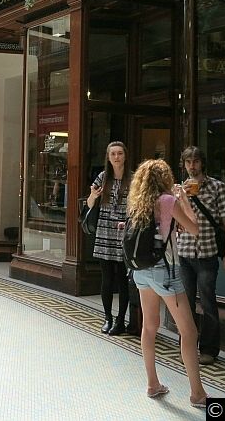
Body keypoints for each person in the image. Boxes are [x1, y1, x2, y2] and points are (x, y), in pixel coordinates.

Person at [128, 158, 208, 407]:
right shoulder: (167, 201)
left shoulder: (138, 202)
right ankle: (197, 393)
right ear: (165, 178)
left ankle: (152, 383)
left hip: (141, 270)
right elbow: (195, 228)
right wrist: (183, 199)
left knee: (149, 326)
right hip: (166, 271)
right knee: (189, 331)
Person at [177, 146, 225, 365]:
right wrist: (180, 198)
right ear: (183, 165)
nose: (192, 166)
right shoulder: (179, 189)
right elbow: (175, 220)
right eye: (188, 162)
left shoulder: (217, 187)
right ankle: (187, 346)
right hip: (184, 252)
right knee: (185, 302)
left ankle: (209, 349)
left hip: (208, 252)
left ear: (202, 163)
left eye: (196, 161)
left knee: (208, 301)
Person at [86, 141, 135, 336]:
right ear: (108, 157)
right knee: (106, 278)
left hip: (124, 230)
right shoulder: (102, 177)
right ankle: (107, 317)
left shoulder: (132, 179)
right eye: (113, 154)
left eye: (120, 153)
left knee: (123, 279)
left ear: (125, 156)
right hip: (105, 230)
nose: (116, 157)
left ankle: (120, 320)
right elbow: (89, 205)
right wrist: (93, 195)